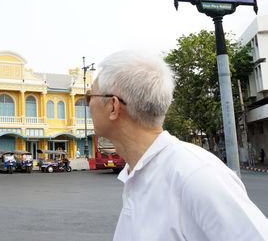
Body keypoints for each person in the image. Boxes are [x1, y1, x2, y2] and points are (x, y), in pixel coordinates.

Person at [88, 50, 268, 241]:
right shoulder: (138, 173)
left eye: (90, 96)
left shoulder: (195, 174)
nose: (88, 103)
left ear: (113, 106)